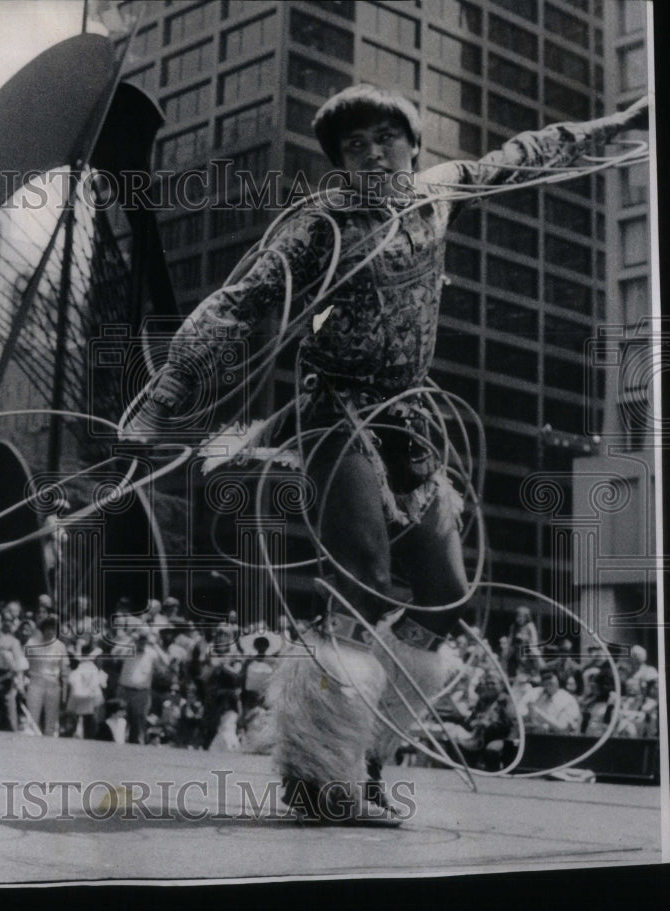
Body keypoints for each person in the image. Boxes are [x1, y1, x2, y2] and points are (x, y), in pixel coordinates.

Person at [127, 83, 648, 821]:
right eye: (353, 146)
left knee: (444, 594)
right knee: (363, 583)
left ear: (412, 145)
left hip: (407, 416)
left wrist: (620, 124)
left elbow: (531, 153)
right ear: (340, 162)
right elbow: (238, 302)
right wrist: (161, 402)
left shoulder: (441, 193)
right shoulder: (321, 225)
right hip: (332, 412)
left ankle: (364, 758)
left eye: (383, 138)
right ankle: (313, 773)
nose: (371, 153)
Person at [526, 670, 581, 734]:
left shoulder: (568, 700)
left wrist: (539, 714)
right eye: (545, 680)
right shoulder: (535, 694)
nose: (547, 684)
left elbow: (563, 728)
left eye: (550, 681)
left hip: (558, 739)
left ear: (558, 680)